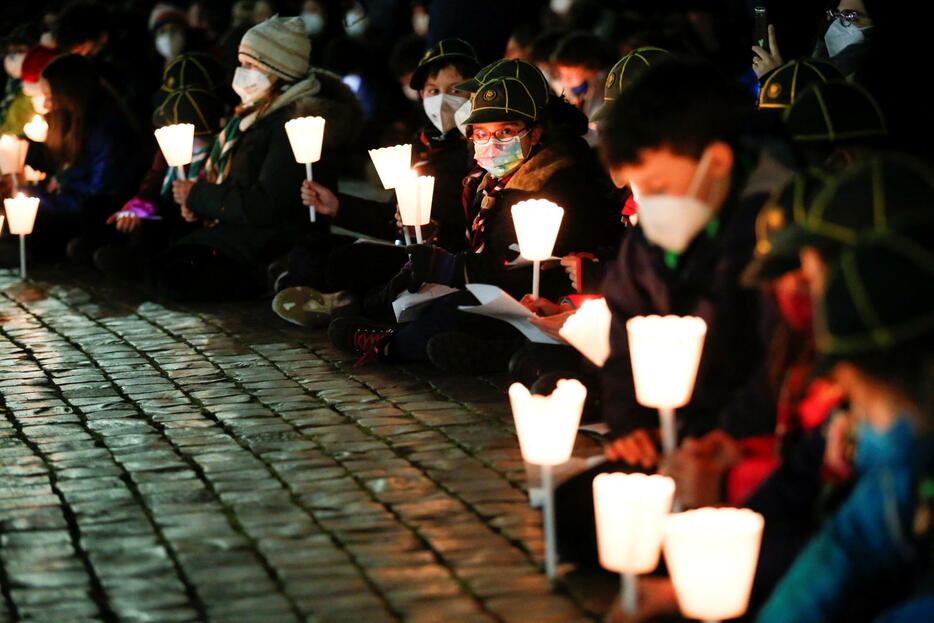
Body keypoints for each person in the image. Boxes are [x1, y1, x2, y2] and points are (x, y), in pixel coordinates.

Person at [329, 69, 617, 373]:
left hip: (535, 295)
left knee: (451, 308)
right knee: (371, 268)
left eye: (506, 132)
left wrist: (448, 268)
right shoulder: (487, 180)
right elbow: (466, 238)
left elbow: (515, 266)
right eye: (481, 133)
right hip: (485, 280)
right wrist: (430, 236)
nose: (491, 143)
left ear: (534, 132)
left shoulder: (557, 184)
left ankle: (392, 344)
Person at [272, 38, 480, 328]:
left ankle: (344, 300)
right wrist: (339, 206)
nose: (442, 99)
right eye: (434, 91)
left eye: (456, 89)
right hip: (410, 249)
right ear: (421, 94)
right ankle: (330, 294)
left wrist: (432, 229)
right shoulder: (421, 146)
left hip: (444, 260)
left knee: (351, 262)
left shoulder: (480, 151)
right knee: (317, 243)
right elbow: (391, 219)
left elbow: (469, 225)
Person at [157, 16, 361, 301]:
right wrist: (199, 203)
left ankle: (274, 277)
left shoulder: (292, 123)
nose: (242, 73)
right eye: (241, 63)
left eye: (251, 65)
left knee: (177, 273)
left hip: (271, 238)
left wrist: (199, 194)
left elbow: (267, 205)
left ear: (279, 69)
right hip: (244, 229)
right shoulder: (254, 115)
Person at [14, 53, 144, 261]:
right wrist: (23, 150)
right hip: (77, 204)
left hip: (103, 214)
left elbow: (98, 198)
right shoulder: (76, 120)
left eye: (50, 96)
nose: (46, 105)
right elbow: (65, 165)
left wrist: (34, 196)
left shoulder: (108, 132)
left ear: (70, 93)